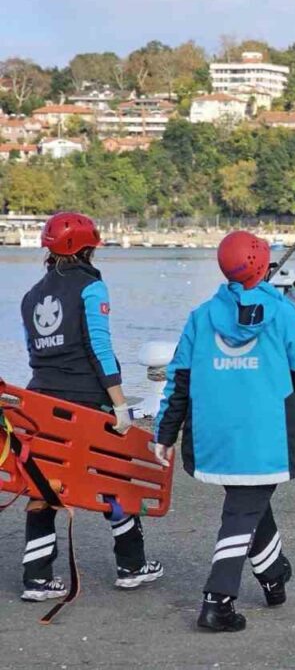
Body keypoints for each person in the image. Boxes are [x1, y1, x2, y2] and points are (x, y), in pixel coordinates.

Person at [153, 231, 295, 632]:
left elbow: (179, 381)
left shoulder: (201, 317)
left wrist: (165, 434)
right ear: (263, 266)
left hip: (216, 438)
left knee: (250, 500)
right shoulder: (284, 315)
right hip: (268, 438)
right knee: (242, 511)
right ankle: (217, 601)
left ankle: (274, 575)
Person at [18, 212, 164, 603]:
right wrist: (120, 404)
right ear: (87, 249)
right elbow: (100, 349)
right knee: (114, 480)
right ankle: (131, 566)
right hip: (87, 403)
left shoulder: (30, 297)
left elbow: (35, 354)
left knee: (43, 485)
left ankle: (37, 578)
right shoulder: (91, 288)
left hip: (41, 402)